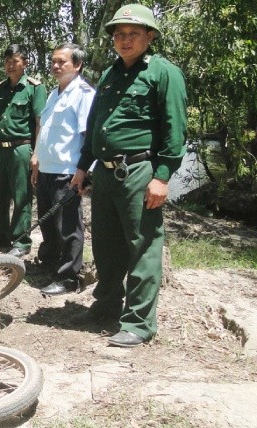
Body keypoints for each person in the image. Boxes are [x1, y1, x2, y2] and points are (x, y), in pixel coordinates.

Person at [70, 4, 187, 347]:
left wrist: (162, 176)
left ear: (150, 37)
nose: (124, 40)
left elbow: (175, 130)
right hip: (105, 174)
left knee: (143, 247)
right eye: (119, 34)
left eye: (133, 34)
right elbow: (95, 125)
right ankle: (106, 306)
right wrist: (82, 167)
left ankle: (138, 323)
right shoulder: (109, 74)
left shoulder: (164, 73)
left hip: (139, 171)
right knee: (106, 246)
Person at [31, 43, 95, 296]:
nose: (55, 66)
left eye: (62, 62)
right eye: (53, 61)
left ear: (77, 65)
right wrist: (36, 157)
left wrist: (83, 172)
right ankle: (50, 264)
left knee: (68, 227)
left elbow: (87, 136)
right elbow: (45, 129)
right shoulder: (53, 93)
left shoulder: (83, 93)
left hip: (67, 171)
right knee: (47, 222)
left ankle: (68, 277)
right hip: (47, 168)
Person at [0, 44, 47, 258]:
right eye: (7, 61)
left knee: (21, 196)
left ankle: (21, 241)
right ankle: (0, 236)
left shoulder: (34, 88)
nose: (10, 65)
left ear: (25, 63)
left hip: (22, 147)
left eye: (15, 61)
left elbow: (40, 122)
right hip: (0, 149)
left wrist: (36, 153)